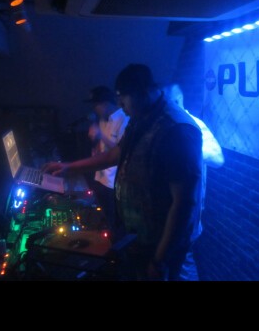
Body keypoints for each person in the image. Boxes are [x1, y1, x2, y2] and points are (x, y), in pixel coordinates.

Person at [43, 64, 203, 281]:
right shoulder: (141, 118)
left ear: (144, 93)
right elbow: (115, 154)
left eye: (123, 97)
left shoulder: (177, 130)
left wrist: (160, 259)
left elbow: (184, 203)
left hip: (158, 244)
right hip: (139, 237)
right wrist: (69, 168)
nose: (119, 104)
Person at [162, 83, 224, 233]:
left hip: (187, 209)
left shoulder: (195, 125)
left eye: (163, 103)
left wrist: (188, 148)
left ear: (176, 101)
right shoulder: (163, 125)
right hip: (163, 208)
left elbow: (218, 159)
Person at [84, 86, 129, 235]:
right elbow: (104, 145)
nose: (94, 109)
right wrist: (96, 149)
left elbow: (120, 151)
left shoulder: (123, 118)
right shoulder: (103, 120)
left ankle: (118, 243)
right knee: (107, 217)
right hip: (100, 177)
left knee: (116, 221)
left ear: (105, 104)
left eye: (95, 105)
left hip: (113, 182)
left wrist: (100, 136)